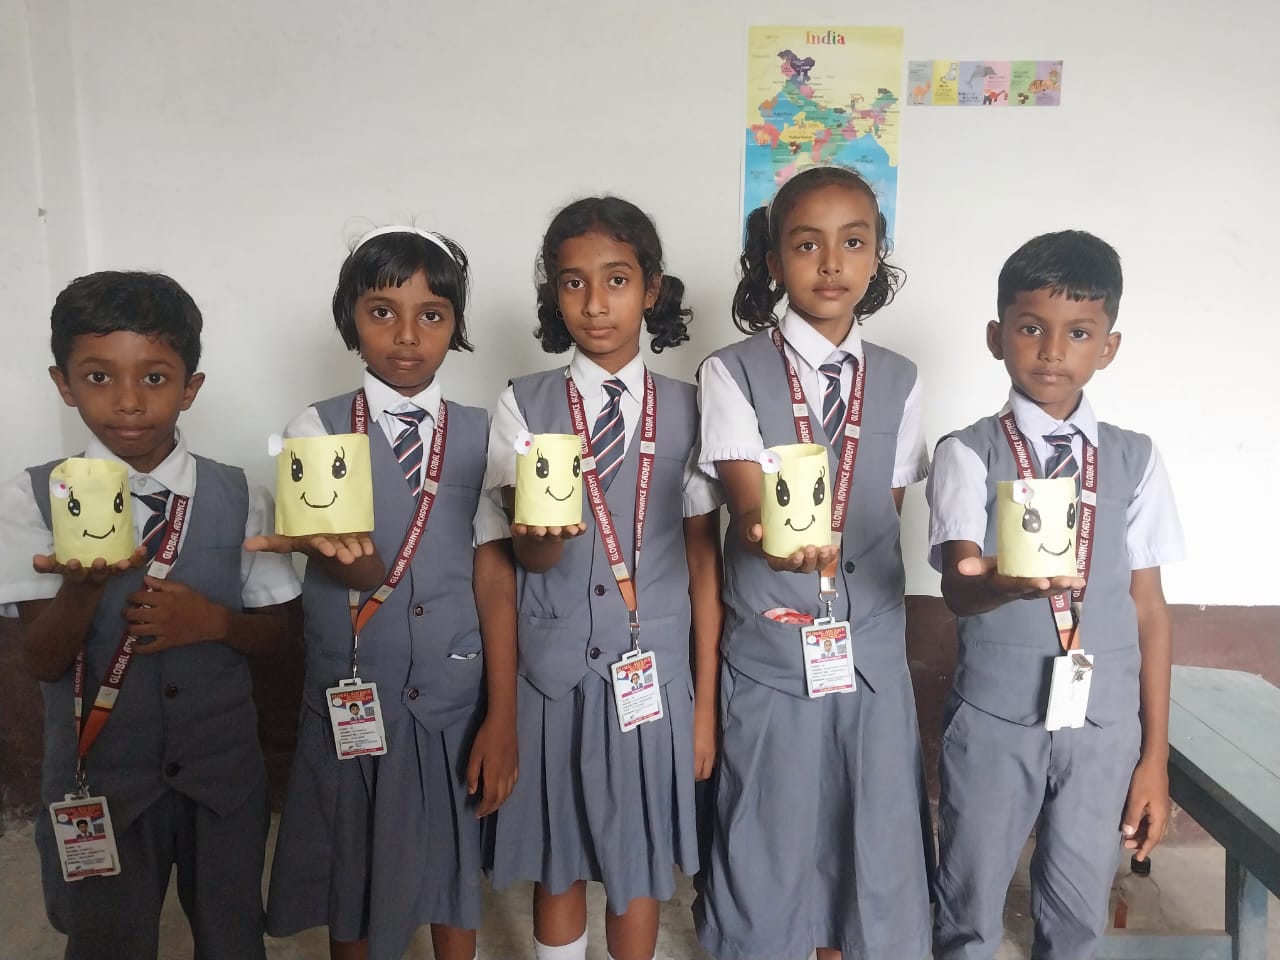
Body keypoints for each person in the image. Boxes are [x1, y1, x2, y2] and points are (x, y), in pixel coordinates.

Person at [0, 271, 300, 960]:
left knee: (231, 934)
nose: (129, 401)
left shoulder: (241, 495)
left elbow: (278, 636)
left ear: (190, 387)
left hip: (222, 777)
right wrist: (81, 589)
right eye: (98, 377)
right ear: (64, 384)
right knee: (107, 937)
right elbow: (41, 660)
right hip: (98, 779)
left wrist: (216, 623)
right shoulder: (31, 498)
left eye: (156, 378)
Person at [254, 226, 516, 960]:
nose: (406, 335)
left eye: (431, 314)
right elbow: (350, 566)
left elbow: (495, 577)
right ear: (351, 317)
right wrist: (339, 557)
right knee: (355, 869)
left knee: (452, 869)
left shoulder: (483, 434)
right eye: (381, 312)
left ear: (455, 324)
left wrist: (502, 714)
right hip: (355, 691)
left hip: (453, 694)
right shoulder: (316, 428)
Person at [694, 165, 932, 960]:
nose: (832, 264)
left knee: (869, 837)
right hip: (771, 647)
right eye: (806, 245)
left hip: (870, 652)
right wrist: (771, 536)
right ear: (773, 261)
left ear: (876, 255)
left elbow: (880, 515)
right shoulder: (730, 371)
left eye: (853, 243)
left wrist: (837, 569)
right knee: (768, 838)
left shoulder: (900, 378)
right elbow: (747, 507)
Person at [927, 229, 1184, 959]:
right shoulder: (966, 452)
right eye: (1030, 327)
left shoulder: (1135, 458)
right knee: (968, 902)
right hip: (996, 715)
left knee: (1077, 915)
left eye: (1078, 333)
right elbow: (958, 589)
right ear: (996, 336)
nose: (1051, 351)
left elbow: (1149, 608)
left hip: (1103, 724)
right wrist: (1000, 584)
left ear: (1108, 347)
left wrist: (1154, 757)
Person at [481, 196, 723, 960]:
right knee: (557, 861)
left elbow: (703, 564)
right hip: (550, 676)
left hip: (655, 679)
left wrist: (704, 708)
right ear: (553, 295)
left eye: (616, 279)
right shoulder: (522, 403)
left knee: (637, 869)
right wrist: (537, 544)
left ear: (652, 290)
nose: (595, 302)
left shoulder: (692, 409)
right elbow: (517, 556)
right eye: (573, 282)